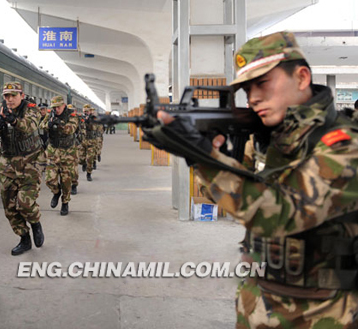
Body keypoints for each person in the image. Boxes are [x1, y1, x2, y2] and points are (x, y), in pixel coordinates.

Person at [146, 31, 358, 328]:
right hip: (258, 300)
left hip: (324, 312)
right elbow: (236, 201)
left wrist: (204, 158)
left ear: (302, 77)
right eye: (247, 89)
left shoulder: (344, 145)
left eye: (263, 83)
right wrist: (215, 153)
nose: (254, 97)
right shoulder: (270, 138)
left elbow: (278, 215)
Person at [0, 82, 45, 255]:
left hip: (30, 163)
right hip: (8, 165)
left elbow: (29, 126)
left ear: (21, 96)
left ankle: (35, 223)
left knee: (25, 203)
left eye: (13, 95)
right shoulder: (0, 110)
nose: (9, 99)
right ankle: (24, 239)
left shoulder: (32, 110)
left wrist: (13, 120)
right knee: (10, 209)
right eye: (6, 96)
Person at [41, 96, 78, 215]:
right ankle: (56, 192)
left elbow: (71, 129)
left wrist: (60, 124)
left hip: (67, 152)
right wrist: (49, 125)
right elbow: (41, 125)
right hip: (53, 151)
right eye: (54, 107)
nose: (56, 109)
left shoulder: (71, 115)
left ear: (64, 105)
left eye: (58, 107)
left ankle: (65, 203)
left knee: (66, 180)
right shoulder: (50, 114)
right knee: (49, 179)